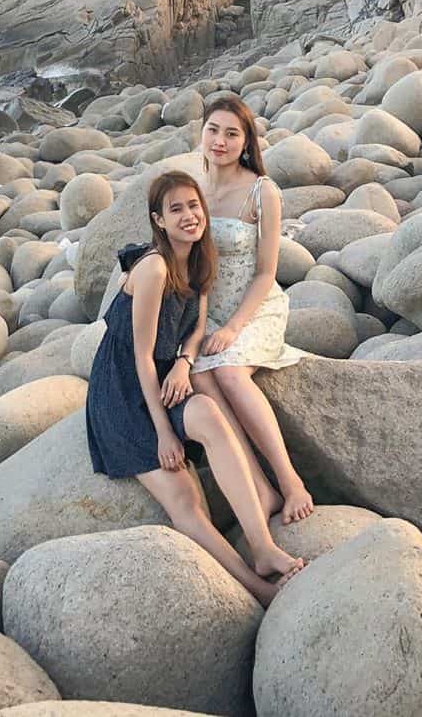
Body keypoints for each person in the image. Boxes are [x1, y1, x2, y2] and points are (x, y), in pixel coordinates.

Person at [85, 170, 304, 605]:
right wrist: (165, 433)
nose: (189, 216)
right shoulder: (153, 269)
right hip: (124, 395)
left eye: (193, 206)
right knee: (184, 497)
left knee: (208, 413)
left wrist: (186, 361)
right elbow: (141, 357)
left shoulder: (200, 259)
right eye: (176, 209)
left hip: (168, 376)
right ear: (158, 221)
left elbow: (197, 324)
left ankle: (262, 547)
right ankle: (256, 587)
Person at [192, 96, 315, 525]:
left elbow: (266, 273)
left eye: (231, 133)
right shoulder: (195, 188)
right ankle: (257, 487)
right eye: (213, 130)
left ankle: (289, 480)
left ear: (246, 142)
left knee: (227, 368)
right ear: (201, 132)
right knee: (198, 373)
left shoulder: (263, 191)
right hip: (208, 308)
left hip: (254, 306)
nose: (220, 141)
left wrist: (233, 328)